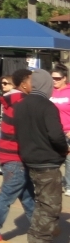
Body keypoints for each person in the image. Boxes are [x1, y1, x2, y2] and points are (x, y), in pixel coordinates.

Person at [14, 69, 69, 243]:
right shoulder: (47, 106)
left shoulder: (20, 106)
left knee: (41, 203)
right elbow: (56, 135)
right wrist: (64, 149)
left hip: (30, 160)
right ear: (45, 85)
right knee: (51, 206)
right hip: (47, 161)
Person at [0, 68, 35, 243]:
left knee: (27, 193)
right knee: (7, 195)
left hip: (9, 153)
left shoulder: (13, 100)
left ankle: (39, 225)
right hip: (14, 155)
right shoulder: (22, 102)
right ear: (24, 83)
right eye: (32, 80)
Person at [47, 63, 70, 195]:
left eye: (58, 78)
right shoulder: (49, 91)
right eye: (53, 78)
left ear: (65, 78)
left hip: (67, 132)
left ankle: (68, 185)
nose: (55, 81)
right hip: (51, 131)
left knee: (68, 160)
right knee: (51, 159)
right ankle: (51, 184)